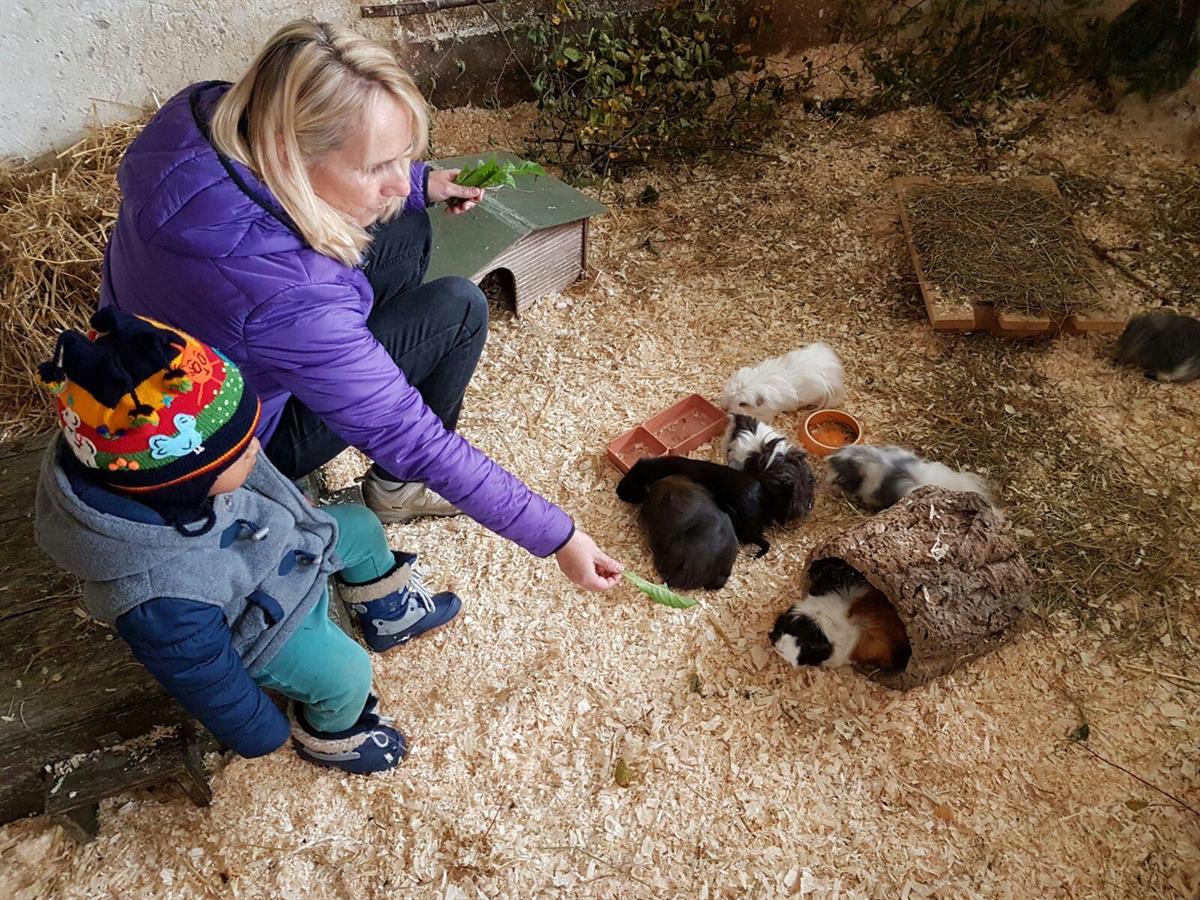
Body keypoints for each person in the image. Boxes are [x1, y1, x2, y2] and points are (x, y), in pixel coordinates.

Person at [97, 19, 621, 591]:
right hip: (241, 449)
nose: (397, 181)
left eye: (403, 158)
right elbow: (410, 432)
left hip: (169, 373)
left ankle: (347, 366)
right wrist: (560, 537)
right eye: (377, 166)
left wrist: (420, 182)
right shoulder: (290, 299)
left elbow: (341, 185)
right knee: (461, 307)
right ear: (288, 150)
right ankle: (395, 489)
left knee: (408, 224)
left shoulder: (206, 123)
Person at [35, 309, 465, 774]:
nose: (256, 448)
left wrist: (291, 509)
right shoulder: (157, 596)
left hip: (274, 551)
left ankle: (390, 613)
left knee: (361, 525)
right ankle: (332, 733)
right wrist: (258, 728)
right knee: (346, 673)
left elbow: (249, 481)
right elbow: (200, 671)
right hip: (263, 624)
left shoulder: (165, 470)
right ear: (187, 484)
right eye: (241, 450)